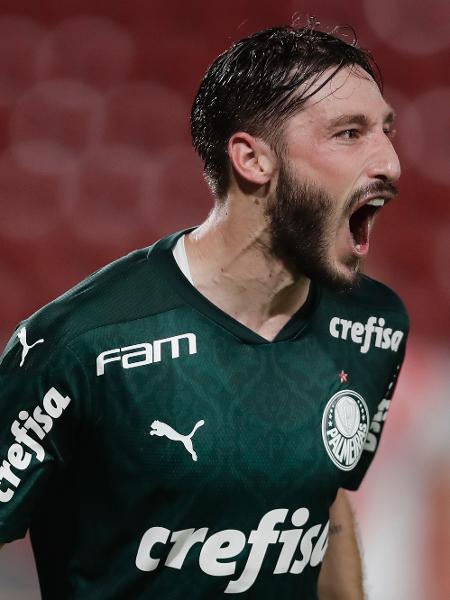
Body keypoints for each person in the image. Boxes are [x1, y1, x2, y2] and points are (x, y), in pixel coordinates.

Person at [0, 24, 409, 599]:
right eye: (349, 133)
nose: (390, 162)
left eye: (386, 131)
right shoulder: (81, 345)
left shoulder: (374, 326)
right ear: (253, 161)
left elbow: (325, 500)